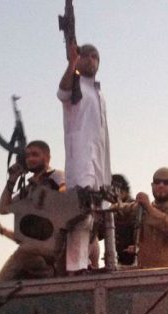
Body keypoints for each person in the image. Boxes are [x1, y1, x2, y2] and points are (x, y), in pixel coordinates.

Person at [58, 42, 110, 273]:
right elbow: (62, 91)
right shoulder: (75, 84)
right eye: (85, 55)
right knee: (81, 215)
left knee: (98, 215)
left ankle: (90, 263)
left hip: (99, 160)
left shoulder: (97, 91)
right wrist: (71, 64)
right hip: (81, 159)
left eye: (94, 56)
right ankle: (75, 267)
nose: (90, 59)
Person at [0, 140, 67, 281]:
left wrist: (44, 195)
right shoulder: (28, 189)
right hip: (32, 247)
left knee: (24, 252)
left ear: (47, 157)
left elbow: (64, 191)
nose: (30, 159)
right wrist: (12, 180)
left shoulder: (55, 175)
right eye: (27, 156)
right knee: (1, 284)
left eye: (35, 155)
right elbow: (3, 209)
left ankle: (49, 274)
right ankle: (46, 273)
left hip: (53, 243)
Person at [116, 167, 168, 269]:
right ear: (152, 185)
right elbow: (119, 209)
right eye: (157, 182)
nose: (161, 185)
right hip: (146, 277)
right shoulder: (142, 208)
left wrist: (149, 209)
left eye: (167, 182)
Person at [110, 174, 136, 266]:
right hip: (118, 260)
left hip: (135, 259)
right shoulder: (111, 209)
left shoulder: (134, 208)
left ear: (124, 191)